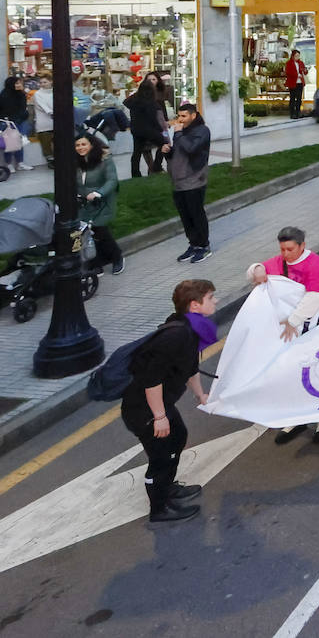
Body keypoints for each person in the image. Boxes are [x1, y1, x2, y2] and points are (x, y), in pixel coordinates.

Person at [120, 279, 216, 523]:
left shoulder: (190, 330)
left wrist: (200, 394)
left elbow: (190, 368)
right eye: (211, 298)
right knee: (160, 456)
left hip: (160, 403)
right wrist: (159, 417)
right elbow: (151, 378)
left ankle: (168, 488)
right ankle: (159, 509)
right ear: (195, 305)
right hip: (143, 409)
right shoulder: (176, 335)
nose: (215, 302)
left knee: (178, 437)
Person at [250, 227, 319, 443]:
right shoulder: (279, 262)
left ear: (302, 246)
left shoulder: (313, 263)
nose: (285, 254)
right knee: (292, 370)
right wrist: (256, 269)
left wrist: (292, 321)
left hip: (311, 326)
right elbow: (258, 269)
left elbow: (315, 296)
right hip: (289, 330)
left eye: (290, 249)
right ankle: (297, 416)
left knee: (317, 370)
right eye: (282, 249)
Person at [165, 102, 211, 263]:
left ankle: (204, 246)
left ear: (193, 115)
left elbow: (191, 149)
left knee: (196, 213)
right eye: (179, 116)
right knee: (185, 215)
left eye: (184, 116)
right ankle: (193, 244)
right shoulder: (182, 131)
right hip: (178, 180)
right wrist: (168, 152)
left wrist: (178, 135)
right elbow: (180, 153)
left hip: (194, 179)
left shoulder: (202, 131)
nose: (180, 119)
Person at [74, 131, 125, 275]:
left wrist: (98, 193)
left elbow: (112, 180)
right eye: (77, 145)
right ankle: (96, 262)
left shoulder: (104, 160)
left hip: (102, 201)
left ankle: (117, 257)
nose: (80, 147)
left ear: (91, 144)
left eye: (83, 144)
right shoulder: (75, 162)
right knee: (86, 232)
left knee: (100, 229)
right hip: (84, 202)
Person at [0, 76, 32, 171]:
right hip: (8, 122)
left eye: (19, 83)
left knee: (20, 143)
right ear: (11, 84)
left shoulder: (21, 94)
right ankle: (9, 164)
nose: (19, 85)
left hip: (20, 121)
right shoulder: (4, 94)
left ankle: (20, 163)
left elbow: (23, 108)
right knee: (9, 144)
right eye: (17, 83)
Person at [32, 75, 55, 168]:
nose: (42, 84)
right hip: (44, 123)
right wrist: (53, 112)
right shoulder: (38, 94)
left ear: (51, 82)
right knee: (46, 143)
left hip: (57, 122)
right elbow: (43, 107)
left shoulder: (55, 92)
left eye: (45, 82)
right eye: (41, 82)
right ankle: (50, 161)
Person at [285, 49, 307, 119]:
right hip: (293, 83)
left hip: (300, 82)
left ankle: (298, 112)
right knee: (293, 98)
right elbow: (288, 72)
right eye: (296, 56)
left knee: (299, 98)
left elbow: (304, 71)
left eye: (298, 56)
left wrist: (305, 71)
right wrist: (297, 75)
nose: (297, 57)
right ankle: (292, 113)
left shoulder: (301, 63)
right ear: (293, 56)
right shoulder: (289, 63)